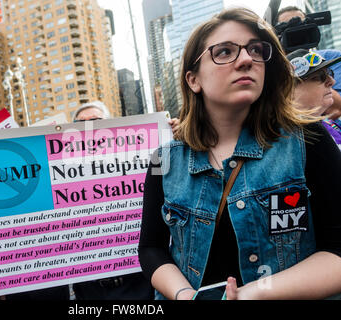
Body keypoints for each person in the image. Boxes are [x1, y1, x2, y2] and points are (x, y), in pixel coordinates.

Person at [138, 7, 341, 300]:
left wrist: (251, 294)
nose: (246, 59)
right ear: (193, 79)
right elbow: (151, 249)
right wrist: (185, 295)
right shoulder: (163, 161)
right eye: (224, 52)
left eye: (256, 50)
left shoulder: (308, 139)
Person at [71, 101, 155, 300]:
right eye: (80, 123)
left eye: (96, 121)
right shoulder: (66, 171)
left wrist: (173, 133)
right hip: (90, 292)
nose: (89, 127)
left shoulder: (139, 157)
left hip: (141, 283)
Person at [277, 6, 341, 120]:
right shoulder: (274, 67)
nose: (298, 32)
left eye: (302, 24)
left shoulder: (333, 57)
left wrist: (307, 63)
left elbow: (336, 110)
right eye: (288, 26)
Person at [287, 49, 341, 150]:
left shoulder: (328, 123)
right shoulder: (289, 140)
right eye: (319, 77)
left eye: (330, 73)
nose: (332, 81)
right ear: (289, 90)